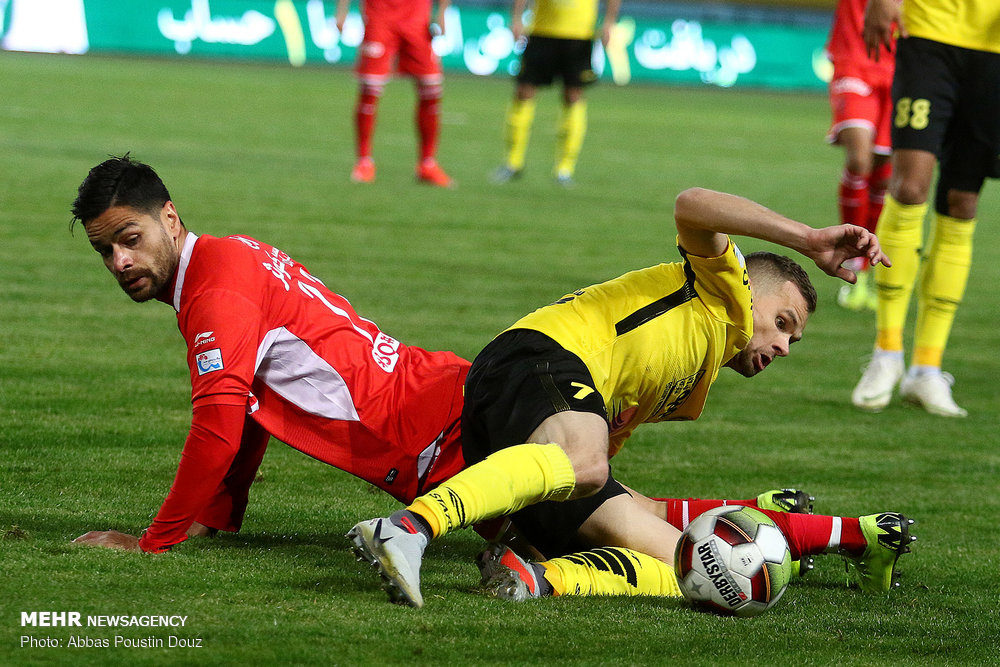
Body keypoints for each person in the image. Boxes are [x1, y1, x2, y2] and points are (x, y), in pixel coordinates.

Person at [348, 187, 912, 607]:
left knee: (697, 568)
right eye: (783, 322)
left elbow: (583, 461)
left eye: (795, 338)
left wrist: (539, 531)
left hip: (533, 418)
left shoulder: (690, 376)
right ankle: (407, 529)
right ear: (752, 292)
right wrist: (807, 239)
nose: (785, 345)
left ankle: (535, 578)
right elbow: (692, 203)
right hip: (538, 357)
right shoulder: (723, 288)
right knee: (586, 463)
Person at [69, 155, 469, 553]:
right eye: (105, 250)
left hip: (447, 438)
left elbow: (216, 431)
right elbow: (246, 407)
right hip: (449, 398)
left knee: (528, 546)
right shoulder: (230, 254)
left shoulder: (214, 293)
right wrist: (210, 517)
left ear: (170, 219)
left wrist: (152, 542)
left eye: (131, 239)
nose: (120, 261)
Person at [851, 0, 1000, 417]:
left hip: (993, 49)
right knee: (911, 186)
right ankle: (886, 353)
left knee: (963, 201)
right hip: (930, 32)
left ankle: (927, 368)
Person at [491, 0, 621, 186]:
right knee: (524, 92)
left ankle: (565, 169)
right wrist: (517, 17)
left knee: (573, 96)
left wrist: (609, 22)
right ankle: (513, 162)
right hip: (541, 31)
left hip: (579, 34)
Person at [824, 0, 895, 311]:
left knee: (884, 174)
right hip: (854, 59)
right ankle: (853, 260)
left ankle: (868, 268)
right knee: (859, 161)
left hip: (900, 66)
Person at [335, 0, 453, 187]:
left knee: (431, 89)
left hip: (417, 17)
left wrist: (442, 13)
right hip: (380, 15)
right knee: (370, 89)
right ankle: (364, 162)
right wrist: (342, 10)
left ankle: (427, 164)